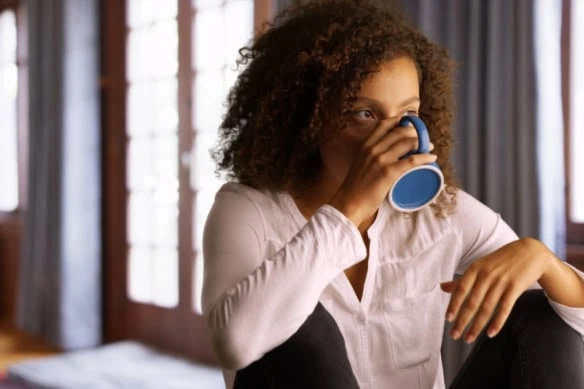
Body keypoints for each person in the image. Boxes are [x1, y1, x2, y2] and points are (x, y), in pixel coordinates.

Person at [201, 1, 584, 388]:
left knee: (544, 309)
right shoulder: (246, 210)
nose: (392, 138)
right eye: (364, 114)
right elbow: (235, 345)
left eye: (407, 114)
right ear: (308, 118)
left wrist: (544, 261)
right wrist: (349, 208)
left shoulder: (442, 214)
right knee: (293, 316)